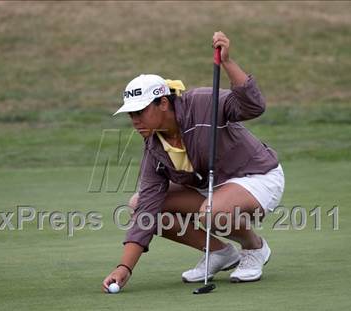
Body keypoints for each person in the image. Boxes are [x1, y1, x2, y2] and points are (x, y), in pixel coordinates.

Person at [102, 31, 285, 292]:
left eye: (140, 112)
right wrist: (124, 268)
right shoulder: (154, 146)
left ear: (163, 103)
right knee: (138, 204)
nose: (134, 120)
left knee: (213, 211)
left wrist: (228, 63)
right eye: (130, 114)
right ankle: (221, 253)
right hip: (214, 190)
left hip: (256, 176)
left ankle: (254, 247)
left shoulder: (201, 103)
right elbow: (147, 210)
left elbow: (253, 106)